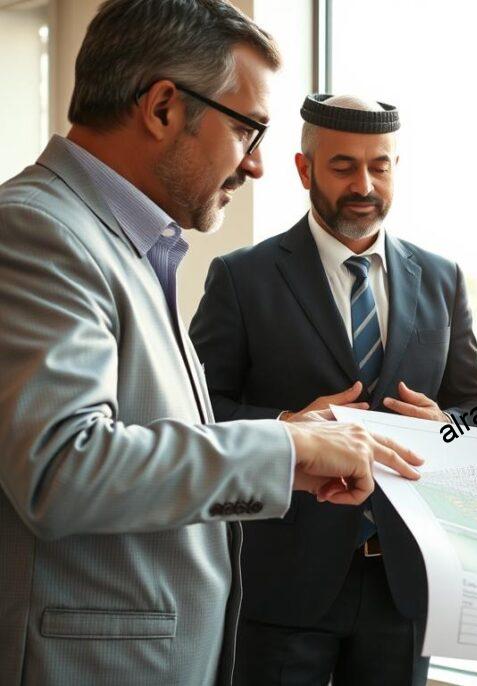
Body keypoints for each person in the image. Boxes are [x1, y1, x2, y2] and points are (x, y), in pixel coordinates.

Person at [0, 2, 422, 685]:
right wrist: (285, 447)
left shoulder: (131, 245)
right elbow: (61, 468)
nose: (255, 166)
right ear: (163, 108)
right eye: (246, 129)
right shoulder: (39, 233)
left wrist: (290, 444)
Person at [190, 93, 477, 685]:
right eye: (343, 166)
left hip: (404, 583)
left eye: (379, 166)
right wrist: (288, 426)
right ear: (304, 170)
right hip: (283, 583)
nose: (364, 184)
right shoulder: (241, 278)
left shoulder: (442, 277)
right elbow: (195, 413)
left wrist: (446, 427)